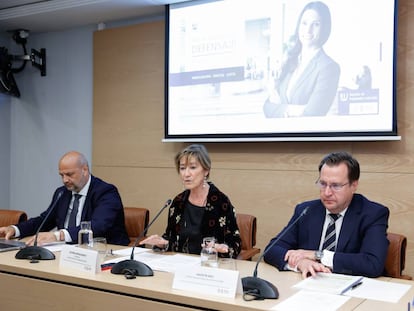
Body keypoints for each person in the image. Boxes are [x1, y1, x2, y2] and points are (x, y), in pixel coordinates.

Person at [263, 151, 389, 278]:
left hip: (352, 288)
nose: (327, 192)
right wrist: (301, 263)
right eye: (323, 184)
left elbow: (373, 264)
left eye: (336, 186)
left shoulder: (372, 214)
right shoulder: (306, 210)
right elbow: (272, 249)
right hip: (310, 284)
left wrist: (318, 255)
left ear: (353, 185)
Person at [0, 151, 129, 246]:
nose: (65, 180)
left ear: (85, 170)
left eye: (69, 174)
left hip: (103, 252)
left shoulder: (105, 192)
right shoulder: (62, 193)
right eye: (61, 175)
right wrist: (15, 229)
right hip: (65, 251)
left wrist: (58, 235)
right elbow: (44, 220)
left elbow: (99, 226)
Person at [140, 144, 241, 258]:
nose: (186, 174)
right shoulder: (178, 202)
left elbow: (235, 244)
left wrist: (223, 248)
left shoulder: (221, 203)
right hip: (181, 266)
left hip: (210, 267)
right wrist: (162, 243)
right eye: (182, 168)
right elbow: (172, 239)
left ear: (206, 170)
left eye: (192, 167)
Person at [263, 1, 340, 117]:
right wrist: (294, 110)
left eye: (316, 24)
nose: (308, 30)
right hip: (279, 133)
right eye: (304, 23)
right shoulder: (290, 61)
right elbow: (267, 107)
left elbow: (312, 113)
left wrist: (280, 109)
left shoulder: (329, 67)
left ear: (324, 28)